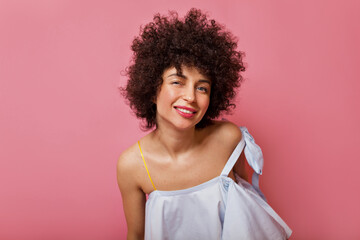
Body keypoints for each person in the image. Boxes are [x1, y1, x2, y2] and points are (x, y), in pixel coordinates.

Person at [117, 8, 292, 240]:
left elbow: (247, 216)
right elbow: (136, 235)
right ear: (151, 89)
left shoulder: (229, 139)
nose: (190, 96)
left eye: (202, 87)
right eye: (177, 81)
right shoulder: (131, 166)